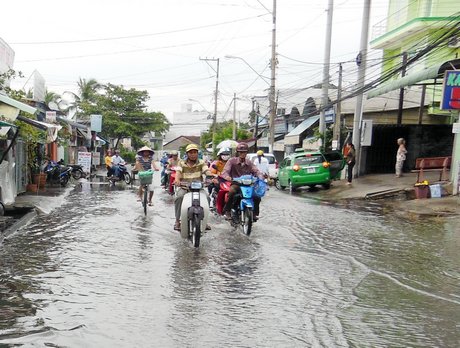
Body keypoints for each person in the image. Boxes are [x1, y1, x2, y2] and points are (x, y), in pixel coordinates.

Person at [173, 144, 213, 231]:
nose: (193, 154)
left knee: (207, 198)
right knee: (179, 197)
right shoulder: (181, 163)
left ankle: (205, 222)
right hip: (185, 187)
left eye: (195, 152)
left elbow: (206, 170)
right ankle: (177, 221)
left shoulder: (201, 162)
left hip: (199, 188)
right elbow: (178, 172)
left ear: (197, 153)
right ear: (187, 154)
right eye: (191, 153)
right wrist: (177, 180)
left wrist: (210, 177)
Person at [222, 142, 264, 221]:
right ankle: (227, 211)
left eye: (244, 152)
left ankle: (254, 213)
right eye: (241, 152)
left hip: (248, 185)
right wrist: (227, 176)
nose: (242, 154)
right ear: (238, 152)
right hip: (236, 184)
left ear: (247, 152)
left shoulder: (249, 162)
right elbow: (225, 171)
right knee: (231, 192)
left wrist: (260, 177)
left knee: (257, 196)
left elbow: (256, 170)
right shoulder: (232, 161)